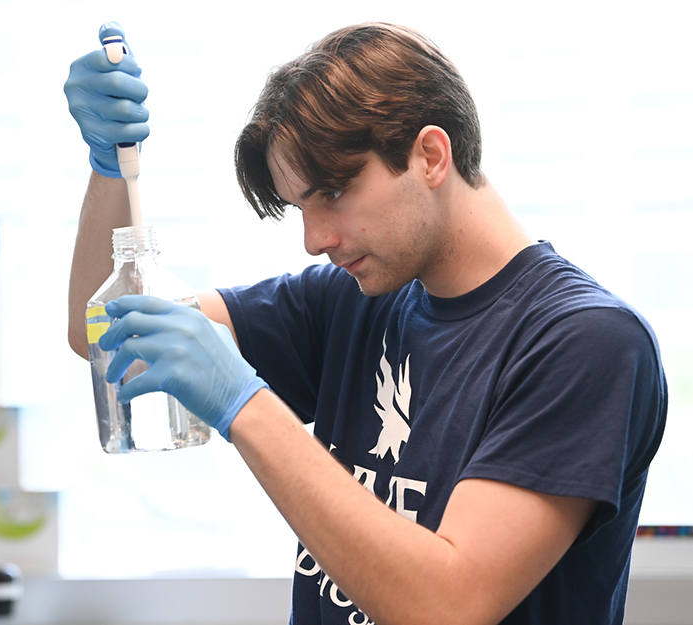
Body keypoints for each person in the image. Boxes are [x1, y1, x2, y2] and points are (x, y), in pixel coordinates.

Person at [64, 21, 667, 625]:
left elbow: (448, 605)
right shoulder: (353, 301)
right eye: (301, 208)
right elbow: (108, 334)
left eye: (333, 192)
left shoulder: (587, 341)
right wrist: (111, 170)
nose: (313, 240)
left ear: (430, 155)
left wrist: (243, 405)